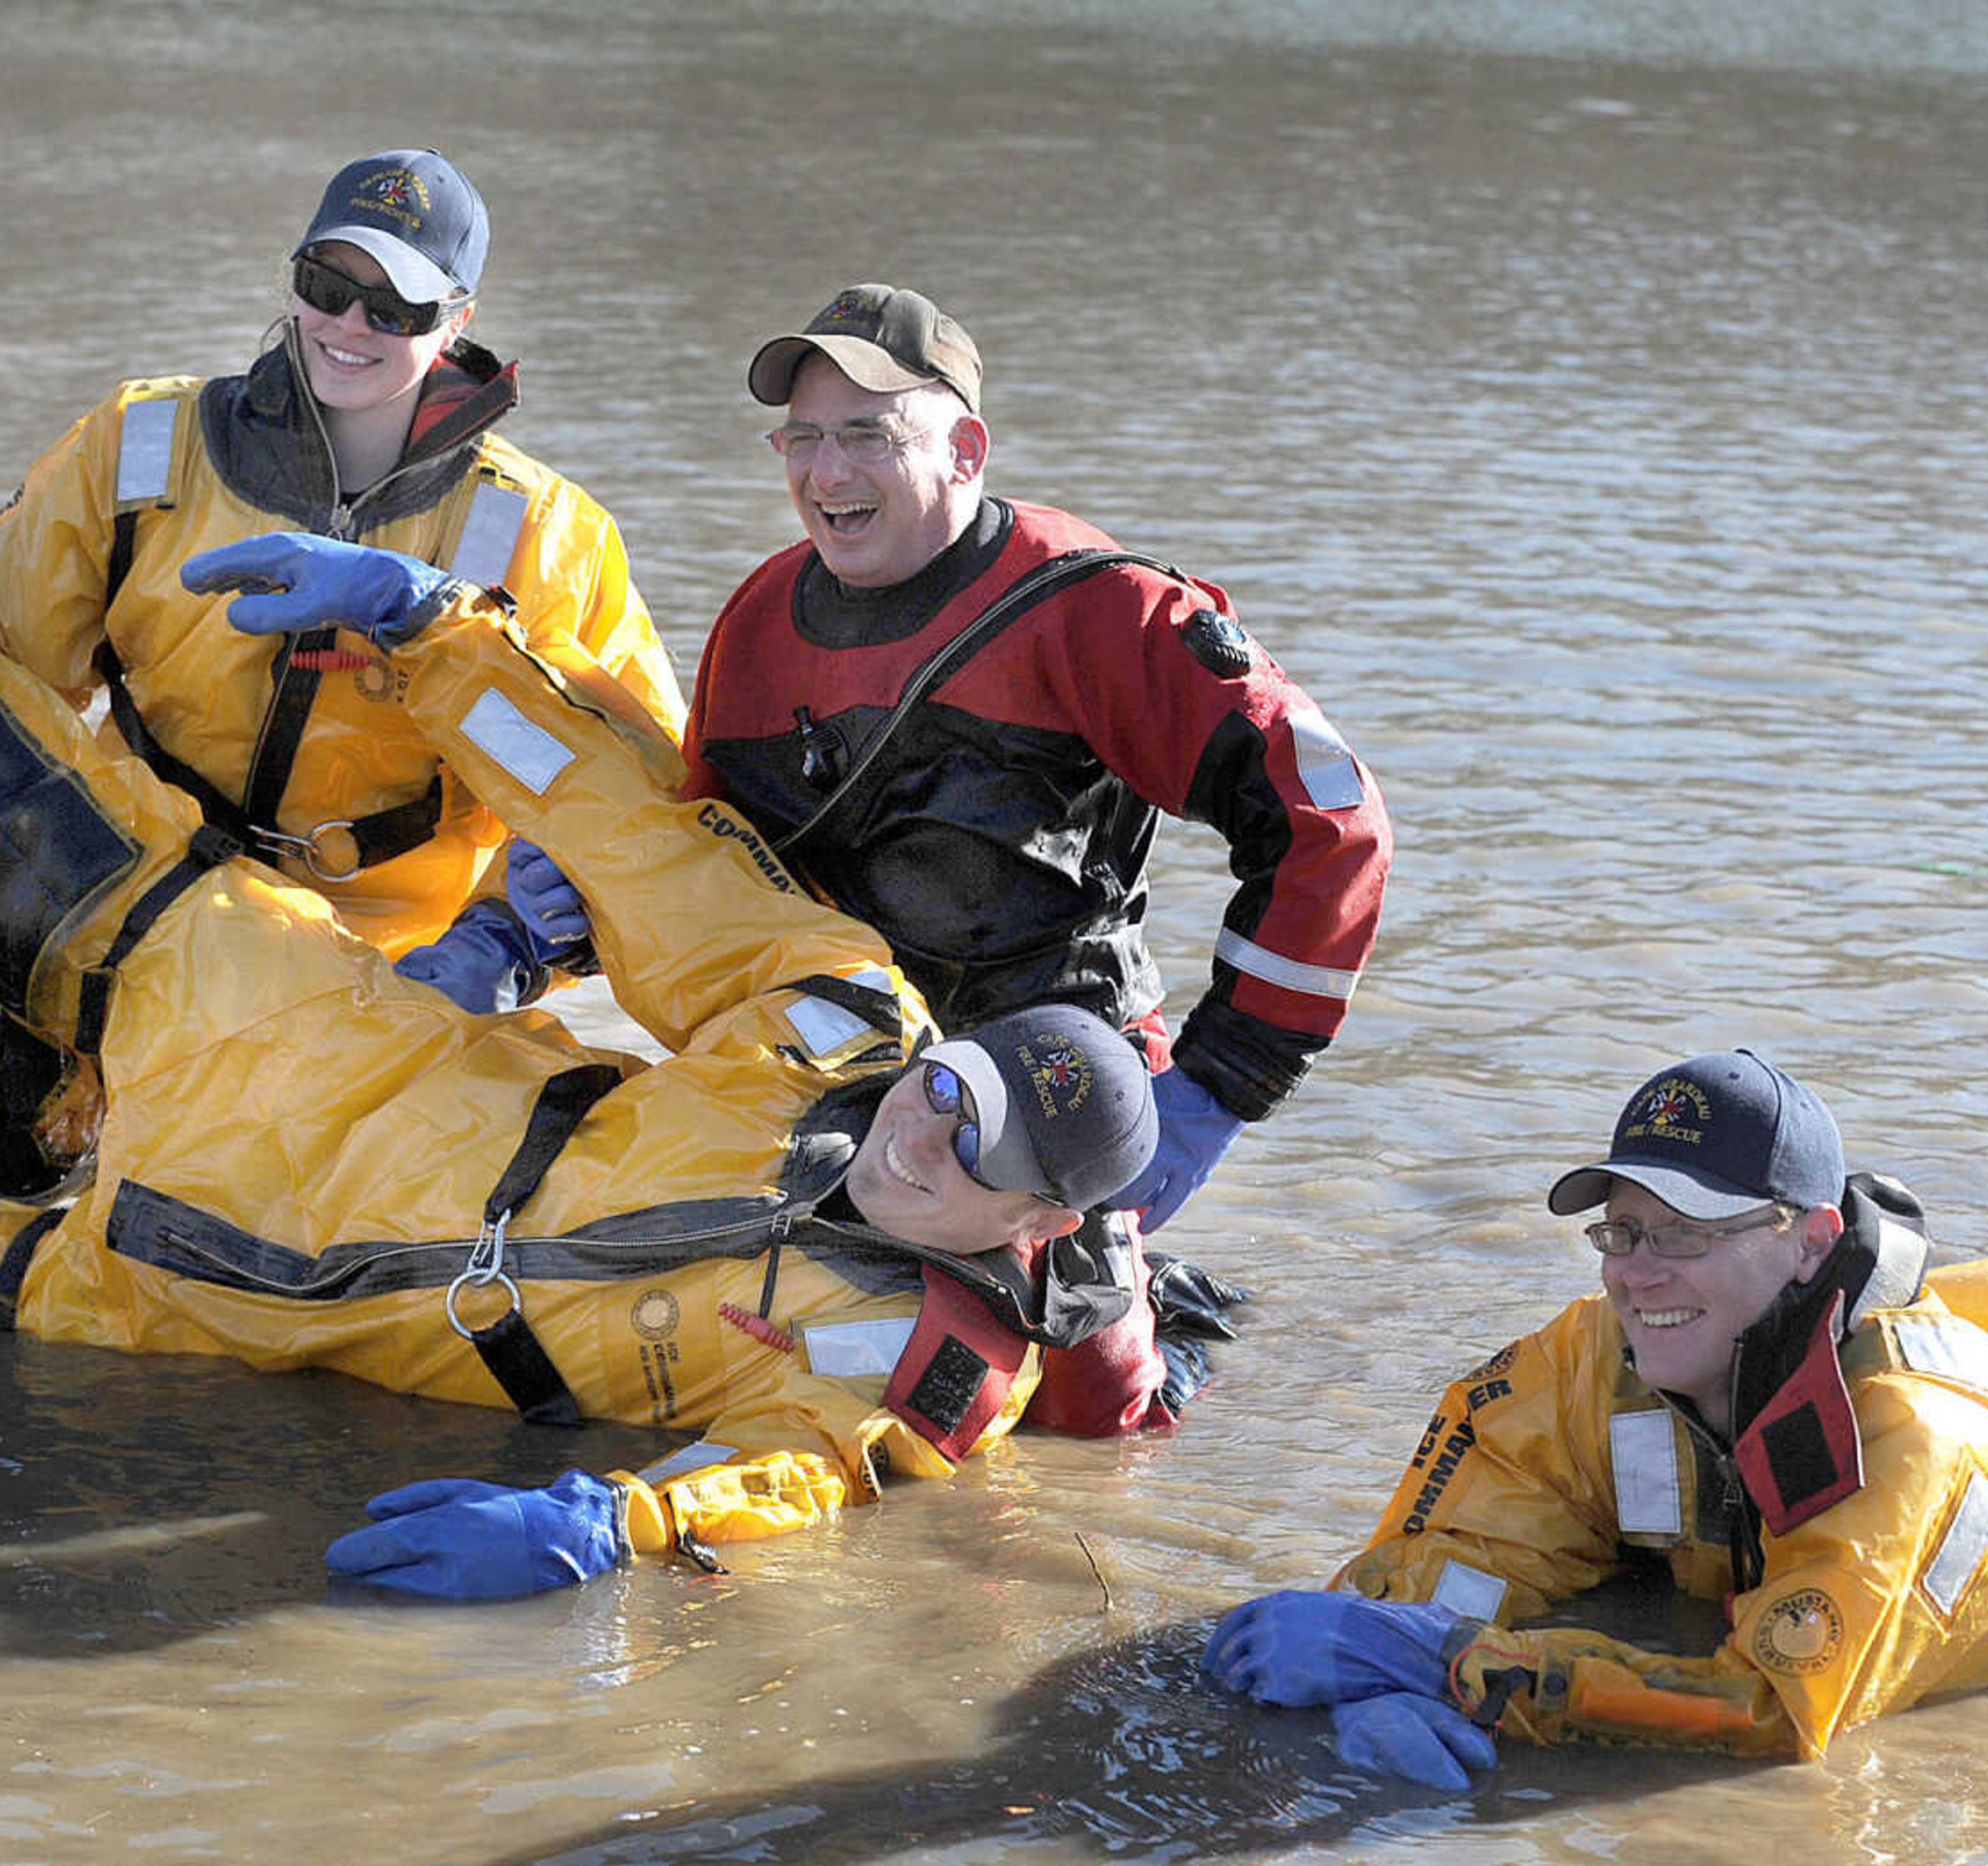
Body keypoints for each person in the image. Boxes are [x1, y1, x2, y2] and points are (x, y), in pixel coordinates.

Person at [0, 514, 1160, 1603]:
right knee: (7, 782)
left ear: (1029, 1233)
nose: (929, 1132)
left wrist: (611, 1527)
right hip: (312, 1049)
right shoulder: (845, 1016)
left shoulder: (919, 1373)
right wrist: (431, 631)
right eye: (957, 1086)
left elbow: (792, 1480)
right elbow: (618, 821)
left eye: (977, 1151)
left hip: (206, 1280)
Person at [0, 147, 685, 1204]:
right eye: (325, 283)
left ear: (458, 324)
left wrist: (508, 947)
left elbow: (638, 781)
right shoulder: (143, 448)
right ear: (291, 281)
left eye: (393, 308)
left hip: (390, 967)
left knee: (481, 1174)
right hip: (137, 913)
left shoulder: (545, 532)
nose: (349, 326)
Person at [497, 285, 1394, 1436]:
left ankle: (1162, 1327)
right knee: (659, 1312)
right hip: (840, 1059)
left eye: (869, 435)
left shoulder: (1097, 610)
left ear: (966, 448)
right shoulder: (759, 616)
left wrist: (1222, 1083)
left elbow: (1332, 817)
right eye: (804, 438)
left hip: (1047, 1085)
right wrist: (579, 908)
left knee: (1090, 1424)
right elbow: (712, 864)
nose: (827, 475)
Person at [1202, 1049, 1988, 1785]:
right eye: (1624, 1232)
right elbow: (1465, 1537)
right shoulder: (1602, 1351)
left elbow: (1778, 1713)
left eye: (1686, 1233)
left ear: (1805, 1236)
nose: (1641, 1274)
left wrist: (1466, 1671)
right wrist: (1374, 1637)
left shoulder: (1922, 1443)